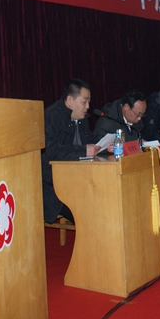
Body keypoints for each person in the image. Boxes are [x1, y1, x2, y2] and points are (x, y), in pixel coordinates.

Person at [41, 79, 100, 224]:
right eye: (84, 102)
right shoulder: (50, 118)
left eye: (89, 102)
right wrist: (83, 150)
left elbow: (91, 141)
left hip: (79, 181)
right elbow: (51, 152)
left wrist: (103, 146)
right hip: (54, 188)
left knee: (105, 201)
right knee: (89, 215)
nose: (88, 106)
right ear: (69, 100)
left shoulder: (82, 119)